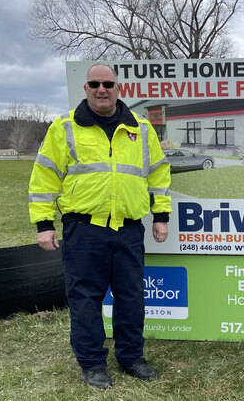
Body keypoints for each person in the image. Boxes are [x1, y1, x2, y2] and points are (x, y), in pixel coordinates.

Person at [28, 63, 172, 390]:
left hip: (129, 230)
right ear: (86, 88)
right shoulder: (64, 128)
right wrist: (43, 223)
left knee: (131, 298)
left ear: (118, 87)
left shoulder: (141, 128)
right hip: (84, 231)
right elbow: (44, 177)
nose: (101, 89)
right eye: (95, 83)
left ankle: (131, 357)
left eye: (108, 83)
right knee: (85, 300)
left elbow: (159, 174)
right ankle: (92, 363)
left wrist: (161, 216)